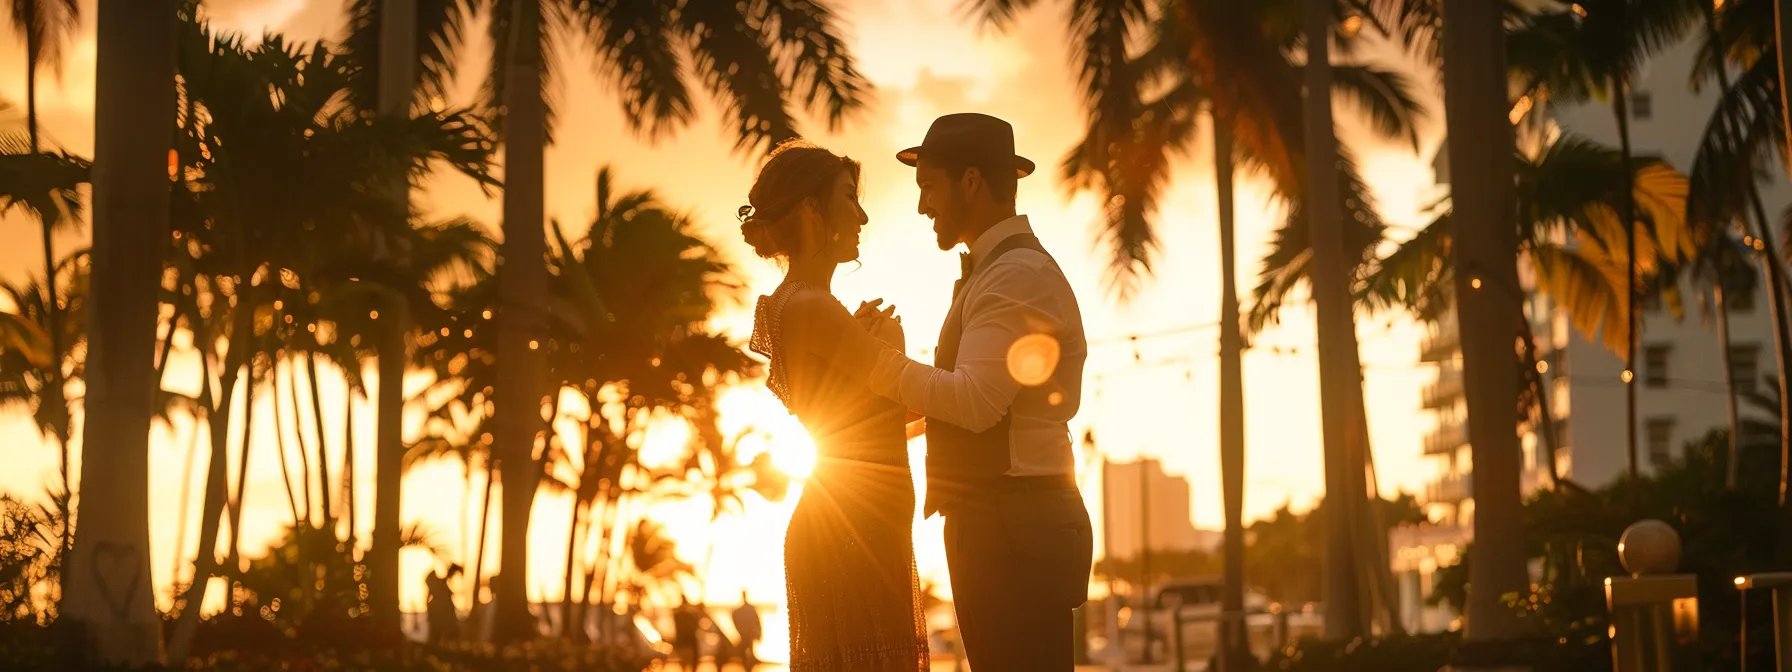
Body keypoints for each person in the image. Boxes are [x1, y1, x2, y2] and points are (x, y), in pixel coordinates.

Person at [831, 112, 1096, 670]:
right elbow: (972, 402)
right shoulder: (997, 273)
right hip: (1005, 522)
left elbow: (974, 403)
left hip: (1015, 527)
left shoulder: (1015, 275)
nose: (922, 205)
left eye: (928, 186)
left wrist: (871, 360)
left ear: (971, 182)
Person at [739, 139, 930, 671]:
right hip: (852, 531)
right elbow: (910, 394)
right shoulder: (811, 307)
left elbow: (878, 425)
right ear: (811, 209)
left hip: (856, 521)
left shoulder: (801, 305)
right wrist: (894, 344)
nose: (863, 214)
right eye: (850, 197)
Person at [424, 564, 463, 643]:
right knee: (439, 635)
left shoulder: (440, 587)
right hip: (441, 614)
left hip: (443, 613)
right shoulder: (438, 590)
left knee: (445, 634)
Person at [731, 591, 763, 670]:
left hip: (748, 633)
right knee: (747, 650)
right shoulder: (746, 609)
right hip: (746, 633)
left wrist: (758, 632)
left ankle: (749, 666)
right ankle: (748, 666)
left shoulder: (748, 609)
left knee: (748, 650)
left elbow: (756, 622)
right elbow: (756, 621)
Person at [672, 596, 703, 671]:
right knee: (691, 664)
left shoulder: (677, 614)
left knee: (683, 664)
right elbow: (696, 627)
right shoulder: (691, 614)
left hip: (681, 643)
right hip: (690, 643)